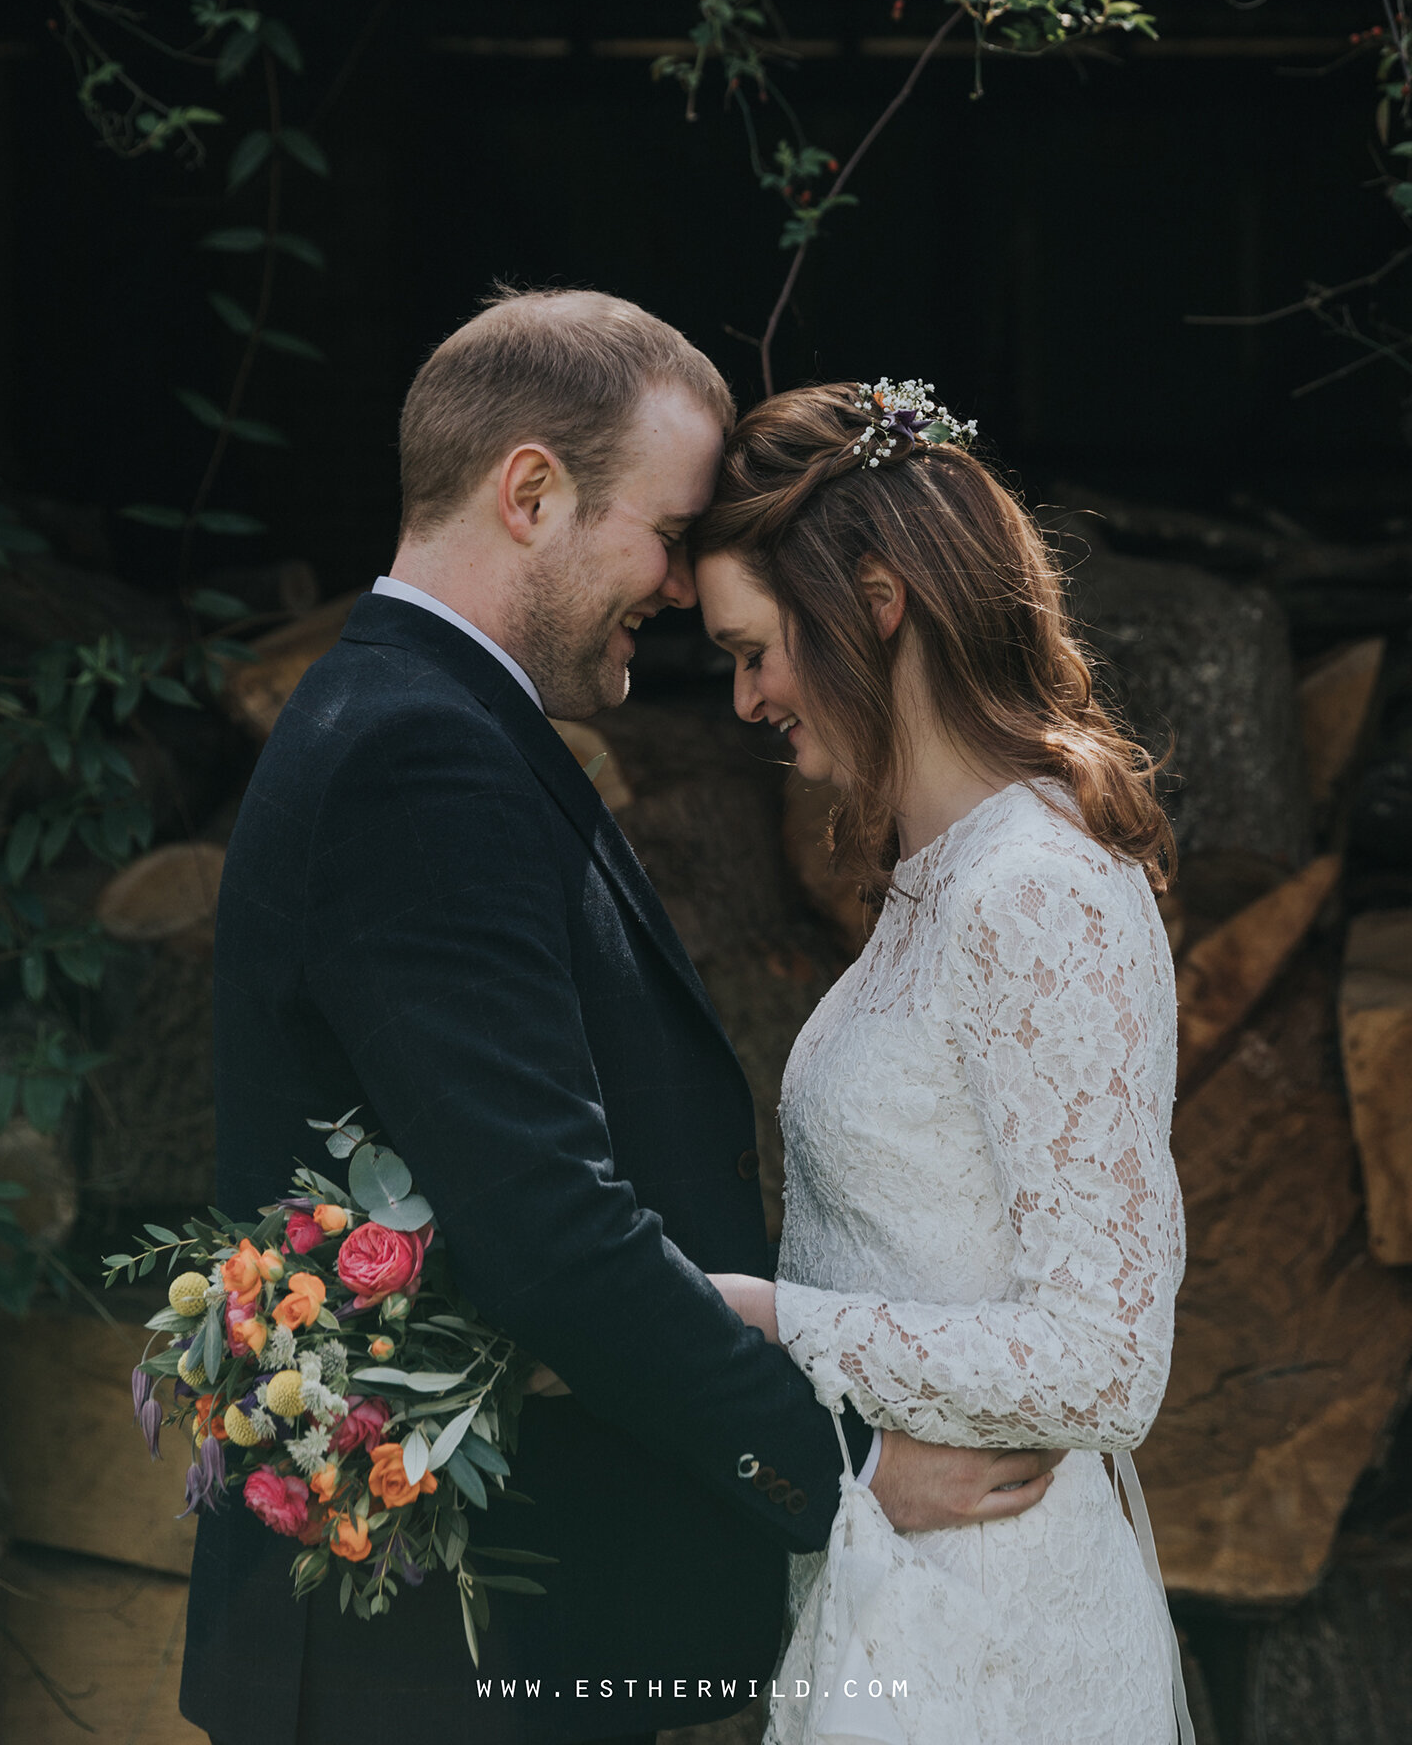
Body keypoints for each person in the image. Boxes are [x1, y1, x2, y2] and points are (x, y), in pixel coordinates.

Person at [182, 295, 1056, 1745]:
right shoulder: (420, 753)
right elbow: (548, 1225)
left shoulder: (443, 722)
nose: (681, 586)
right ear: (530, 491)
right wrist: (840, 1463)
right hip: (441, 1656)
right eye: (664, 531)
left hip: (505, 1630)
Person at [693, 379, 1188, 1745]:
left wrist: (761, 1321)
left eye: (755, 650)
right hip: (905, 1579)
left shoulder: (1038, 888)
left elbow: (1105, 1361)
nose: (744, 699)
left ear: (878, 596)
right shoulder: (938, 878)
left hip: (1000, 1631)